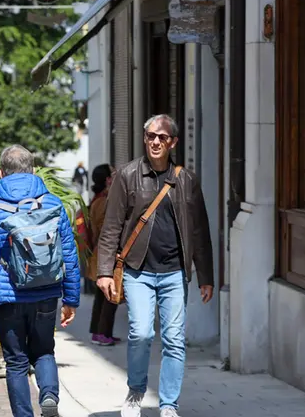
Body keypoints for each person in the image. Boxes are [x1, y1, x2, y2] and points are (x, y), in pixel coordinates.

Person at [96, 114, 214, 417]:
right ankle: (136, 391)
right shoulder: (127, 175)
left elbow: (199, 229)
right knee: (141, 333)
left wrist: (206, 276)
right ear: (145, 138)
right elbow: (111, 226)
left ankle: (168, 405)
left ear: (173, 141)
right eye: (150, 136)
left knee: (174, 339)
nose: (155, 142)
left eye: (162, 137)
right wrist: (104, 271)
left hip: (174, 272)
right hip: (138, 271)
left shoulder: (186, 180)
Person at [0, 145, 81, 417]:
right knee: (44, 351)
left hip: (9, 298)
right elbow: (69, 253)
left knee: (16, 363)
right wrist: (71, 298)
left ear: (0, 173)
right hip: (46, 293)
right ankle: (49, 396)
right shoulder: (53, 204)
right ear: (33, 170)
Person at [87, 163, 120, 347]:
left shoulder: (96, 200)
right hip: (108, 253)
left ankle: (99, 332)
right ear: (108, 180)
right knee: (111, 294)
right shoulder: (105, 202)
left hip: (99, 253)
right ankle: (102, 333)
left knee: (102, 296)